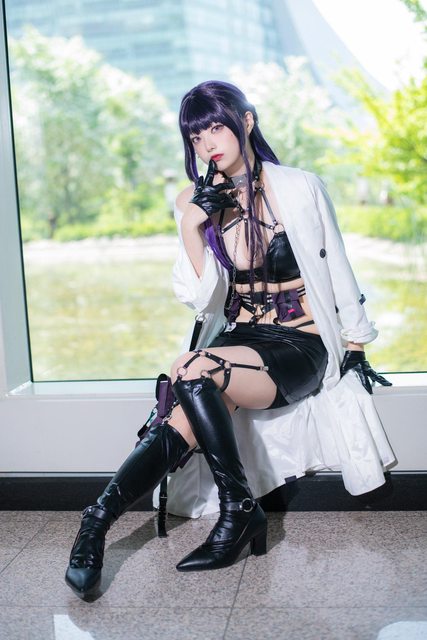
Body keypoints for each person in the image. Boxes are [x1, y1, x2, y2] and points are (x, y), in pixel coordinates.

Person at [65, 80, 395, 596]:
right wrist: (191, 228)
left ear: (246, 121)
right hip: (242, 338)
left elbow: (337, 263)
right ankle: (98, 524)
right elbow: (200, 298)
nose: (207, 144)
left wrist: (356, 342)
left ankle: (231, 511)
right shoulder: (195, 201)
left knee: (192, 368)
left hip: (298, 344)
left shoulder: (298, 187)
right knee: (186, 383)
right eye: (195, 137)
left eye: (215, 128)